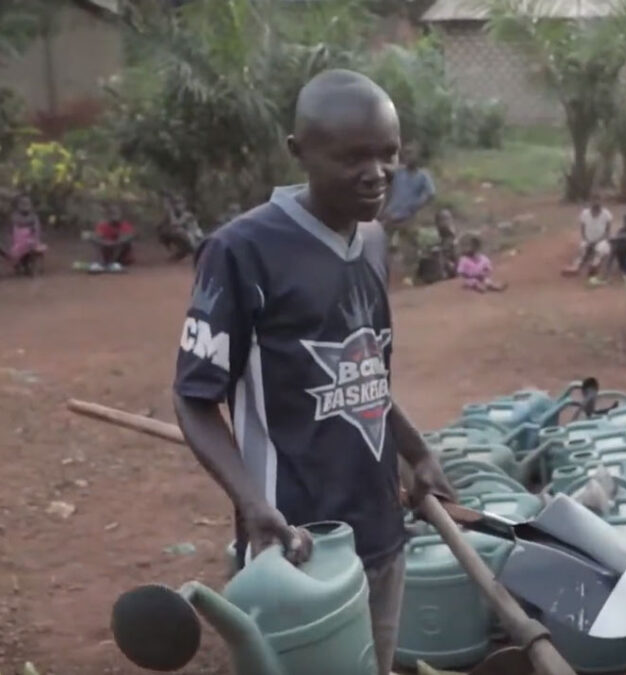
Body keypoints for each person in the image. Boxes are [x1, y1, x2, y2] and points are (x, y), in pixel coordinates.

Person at [171, 69, 456, 675]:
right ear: (299, 151)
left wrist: (418, 451)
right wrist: (251, 504)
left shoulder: (373, 240)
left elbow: (367, 377)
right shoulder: (242, 250)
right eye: (353, 156)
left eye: (389, 154)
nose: (376, 172)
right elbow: (195, 398)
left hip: (381, 525)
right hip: (297, 541)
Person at [381, 141, 436, 272]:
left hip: (408, 216)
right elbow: (386, 188)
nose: (409, 157)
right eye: (406, 154)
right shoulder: (398, 172)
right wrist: (383, 209)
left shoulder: (423, 175)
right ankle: (384, 270)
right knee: (381, 243)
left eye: (412, 154)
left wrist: (416, 205)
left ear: (418, 157)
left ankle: (411, 271)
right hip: (391, 214)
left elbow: (431, 194)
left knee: (411, 245)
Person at [563, 200, 613, 278]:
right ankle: (575, 266)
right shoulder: (585, 213)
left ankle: (594, 266)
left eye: (597, 209)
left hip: (602, 240)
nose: (595, 211)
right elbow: (582, 229)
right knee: (582, 248)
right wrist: (586, 239)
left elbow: (608, 232)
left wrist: (597, 241)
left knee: (600, 249)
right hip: (588, 239)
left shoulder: (606, 214)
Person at [157, 194, 205, 263]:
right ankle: (179, 252)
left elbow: (175, 224)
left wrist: (171, 211)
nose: (178, 206)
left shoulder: (187, 215)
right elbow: (160, 225)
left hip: (195, 237)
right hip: (187, 238)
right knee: (166, 231)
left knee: (178, 231)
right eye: (176, 204)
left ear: (184, 205)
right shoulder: (176, 214)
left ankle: (195, 254)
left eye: (180, 204)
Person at [7, 194, 46, 277]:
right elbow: (12, 231)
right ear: (18, 205)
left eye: (27, 203)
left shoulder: (34, 216)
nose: (25, 205)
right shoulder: (15, 216)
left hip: (32, 239)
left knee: (37, 248)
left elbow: (37, 228)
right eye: (23, 203)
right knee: (17, 252)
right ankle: (20, 264)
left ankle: (33, 266)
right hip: (19, 241)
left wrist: (34, 233)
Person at [89, 204, 136, 272]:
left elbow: (129, 237)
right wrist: (105, 242)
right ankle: (97, 263)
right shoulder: (102, 225)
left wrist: (114, 243)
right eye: (112, 213)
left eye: (117, 213)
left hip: (120, 254)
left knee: (124, 243)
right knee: (95, 242)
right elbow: (95, 237)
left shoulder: (125, 225)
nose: (115, 216)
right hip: (106, 249)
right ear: (108, 215)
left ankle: (113, 263)